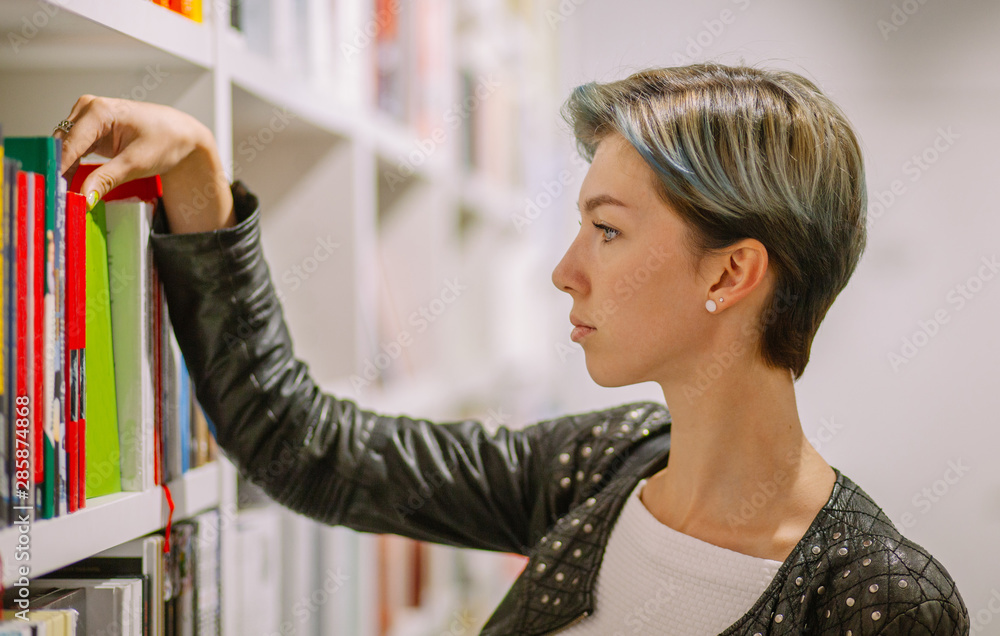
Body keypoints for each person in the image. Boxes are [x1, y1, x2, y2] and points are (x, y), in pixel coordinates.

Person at [54, 62, 968, 635]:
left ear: (730, 275)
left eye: (607, 231)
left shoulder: (883, 600)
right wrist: (197, 177)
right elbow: (307, 446)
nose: (565, 271)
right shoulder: (601, 467)